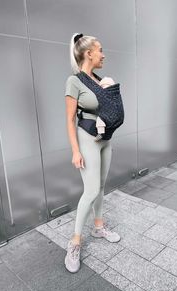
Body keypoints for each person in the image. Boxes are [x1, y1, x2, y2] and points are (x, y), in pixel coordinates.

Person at [64, 33, 121, 273]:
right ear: (89, 53)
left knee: (101, 186)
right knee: (90, 190)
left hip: (106, 139)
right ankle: (75, 241)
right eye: (100, 50)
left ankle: (98, 226)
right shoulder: (74, 81)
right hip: (87, 139)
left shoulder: (99, 80)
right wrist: (75, 150)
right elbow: (69, 120)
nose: (103, 54)